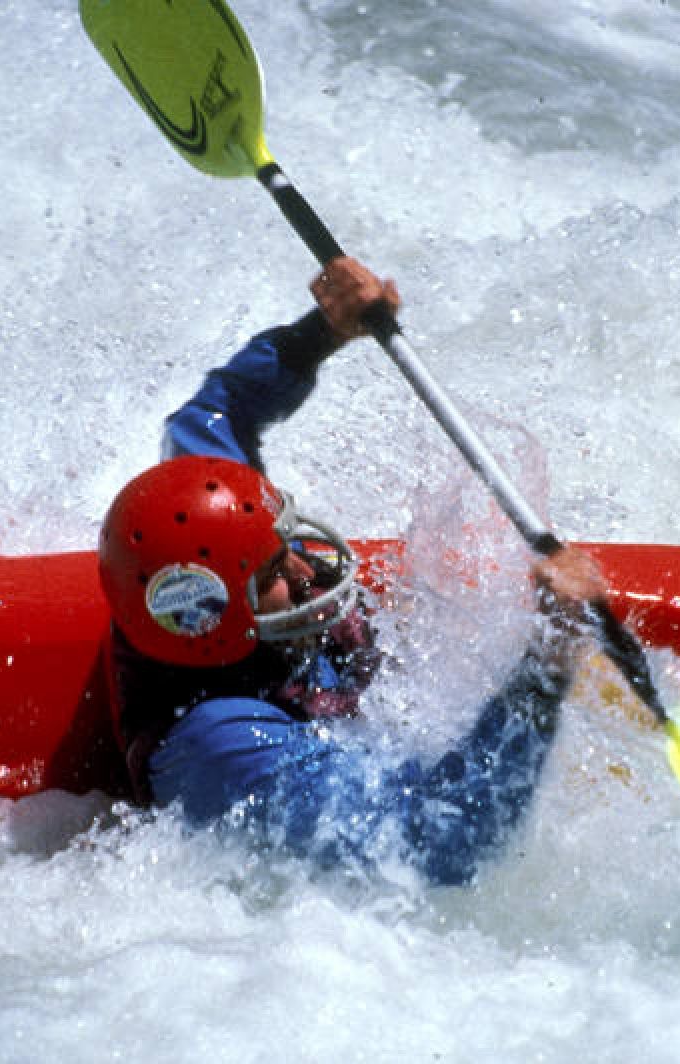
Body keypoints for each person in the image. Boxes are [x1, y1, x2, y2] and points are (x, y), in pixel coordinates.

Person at [98, 258, 607, 886]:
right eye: (270, 572)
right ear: (212, 621)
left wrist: (321, 332)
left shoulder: (204, 520)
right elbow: (439, 846)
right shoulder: (224, 748)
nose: (302, 568)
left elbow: (215, 412)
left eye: (284, 544)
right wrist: (546, 667)